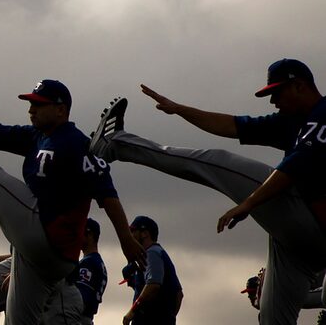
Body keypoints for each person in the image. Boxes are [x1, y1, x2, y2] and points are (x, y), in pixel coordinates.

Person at [88, 58, 326, 325]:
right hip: (300, 244)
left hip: (313, 223)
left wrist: (247, 203)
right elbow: (232, 125)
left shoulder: (324, 112)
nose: (272, 101)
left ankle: (115, 144)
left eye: (276, 92)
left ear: (299, 86)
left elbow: (297, 164)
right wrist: (179, 109)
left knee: (218, 161)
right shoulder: (293, 120)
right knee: (272, 319)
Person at [0, 79, 145, 324]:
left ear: (61, 109)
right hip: (39, 258)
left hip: (49, 236)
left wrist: (125, 237)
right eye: (31, 104)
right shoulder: (36, 136)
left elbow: (107, 193)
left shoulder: (75, 142)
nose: (31, 110)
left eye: (39, 104)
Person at [121, 216, 183, 325]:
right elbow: (179, 294)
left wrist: (132, 311)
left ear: (145, 233)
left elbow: (153, 284)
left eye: (133, 231)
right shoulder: (157, 253)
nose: (131, 236)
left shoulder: (151, 253)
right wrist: (169, 318)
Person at [76, 218, 107, 325]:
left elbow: (80, 298)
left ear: (90, 235)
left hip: (78, 319)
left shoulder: (89, 262)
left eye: (80, 233)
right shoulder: (99, 263)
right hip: (87, 319)